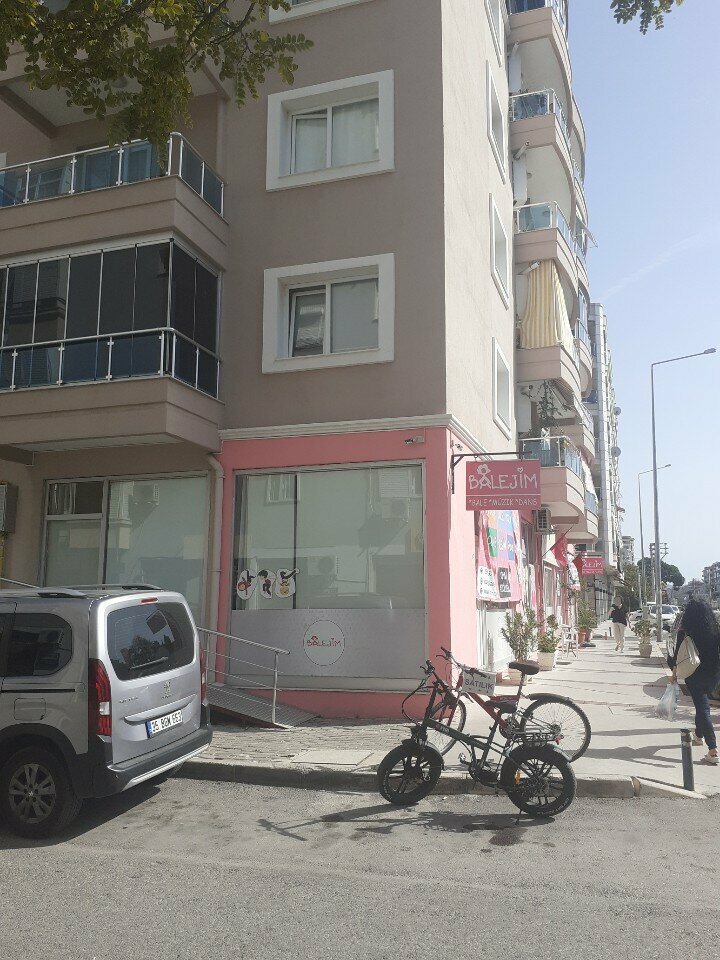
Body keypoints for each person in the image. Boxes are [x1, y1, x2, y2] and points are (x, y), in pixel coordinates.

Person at [668, 598, 720, 765]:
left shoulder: (685, 631)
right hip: (713, 674)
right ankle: (698, 736)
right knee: (701, 704)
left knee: (702, 707)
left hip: (694, 674)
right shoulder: (715, 630)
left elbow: (677, 657)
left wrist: (674, 675)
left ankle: (713, 749)